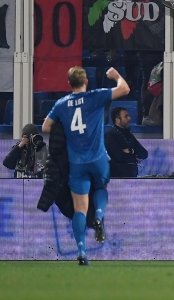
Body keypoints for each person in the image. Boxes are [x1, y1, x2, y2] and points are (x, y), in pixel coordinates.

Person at [42, 66, 130, 265]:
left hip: (77, 163)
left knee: (79, 208)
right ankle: (99, 216)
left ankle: (82, 251)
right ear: (86, 81)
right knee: (100, 188)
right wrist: (115, 75)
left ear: (69, 83)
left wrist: (65, 128)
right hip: (98, 159)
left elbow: (46, 126)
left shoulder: (61, 104)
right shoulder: (94, 97)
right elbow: (124, 89)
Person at [104, 107, 148, 178]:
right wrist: (134, 158)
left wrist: (131, 151)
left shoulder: (129, 135)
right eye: (126, 116)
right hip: (117, 179)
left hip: (132, 177)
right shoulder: (110, 135)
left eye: (129, 115)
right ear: (117, 120)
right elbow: (119, 156)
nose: (129, 118)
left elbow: (144, 153)